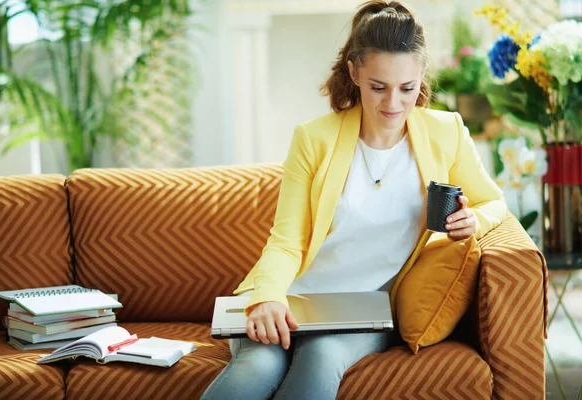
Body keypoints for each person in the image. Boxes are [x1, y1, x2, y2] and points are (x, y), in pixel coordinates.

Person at [201, 1, 506, 399]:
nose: (393, 104)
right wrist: (268, 298)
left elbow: (494, 203)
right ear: (354, 72)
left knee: (322, 357)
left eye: (407, 88)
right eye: (378, 87)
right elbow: (287, 239)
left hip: (361, 310)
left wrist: (475, 223)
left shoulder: (445, 133)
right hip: (290, 295)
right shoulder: (314, 139)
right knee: (258, 366)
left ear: (421, 77)